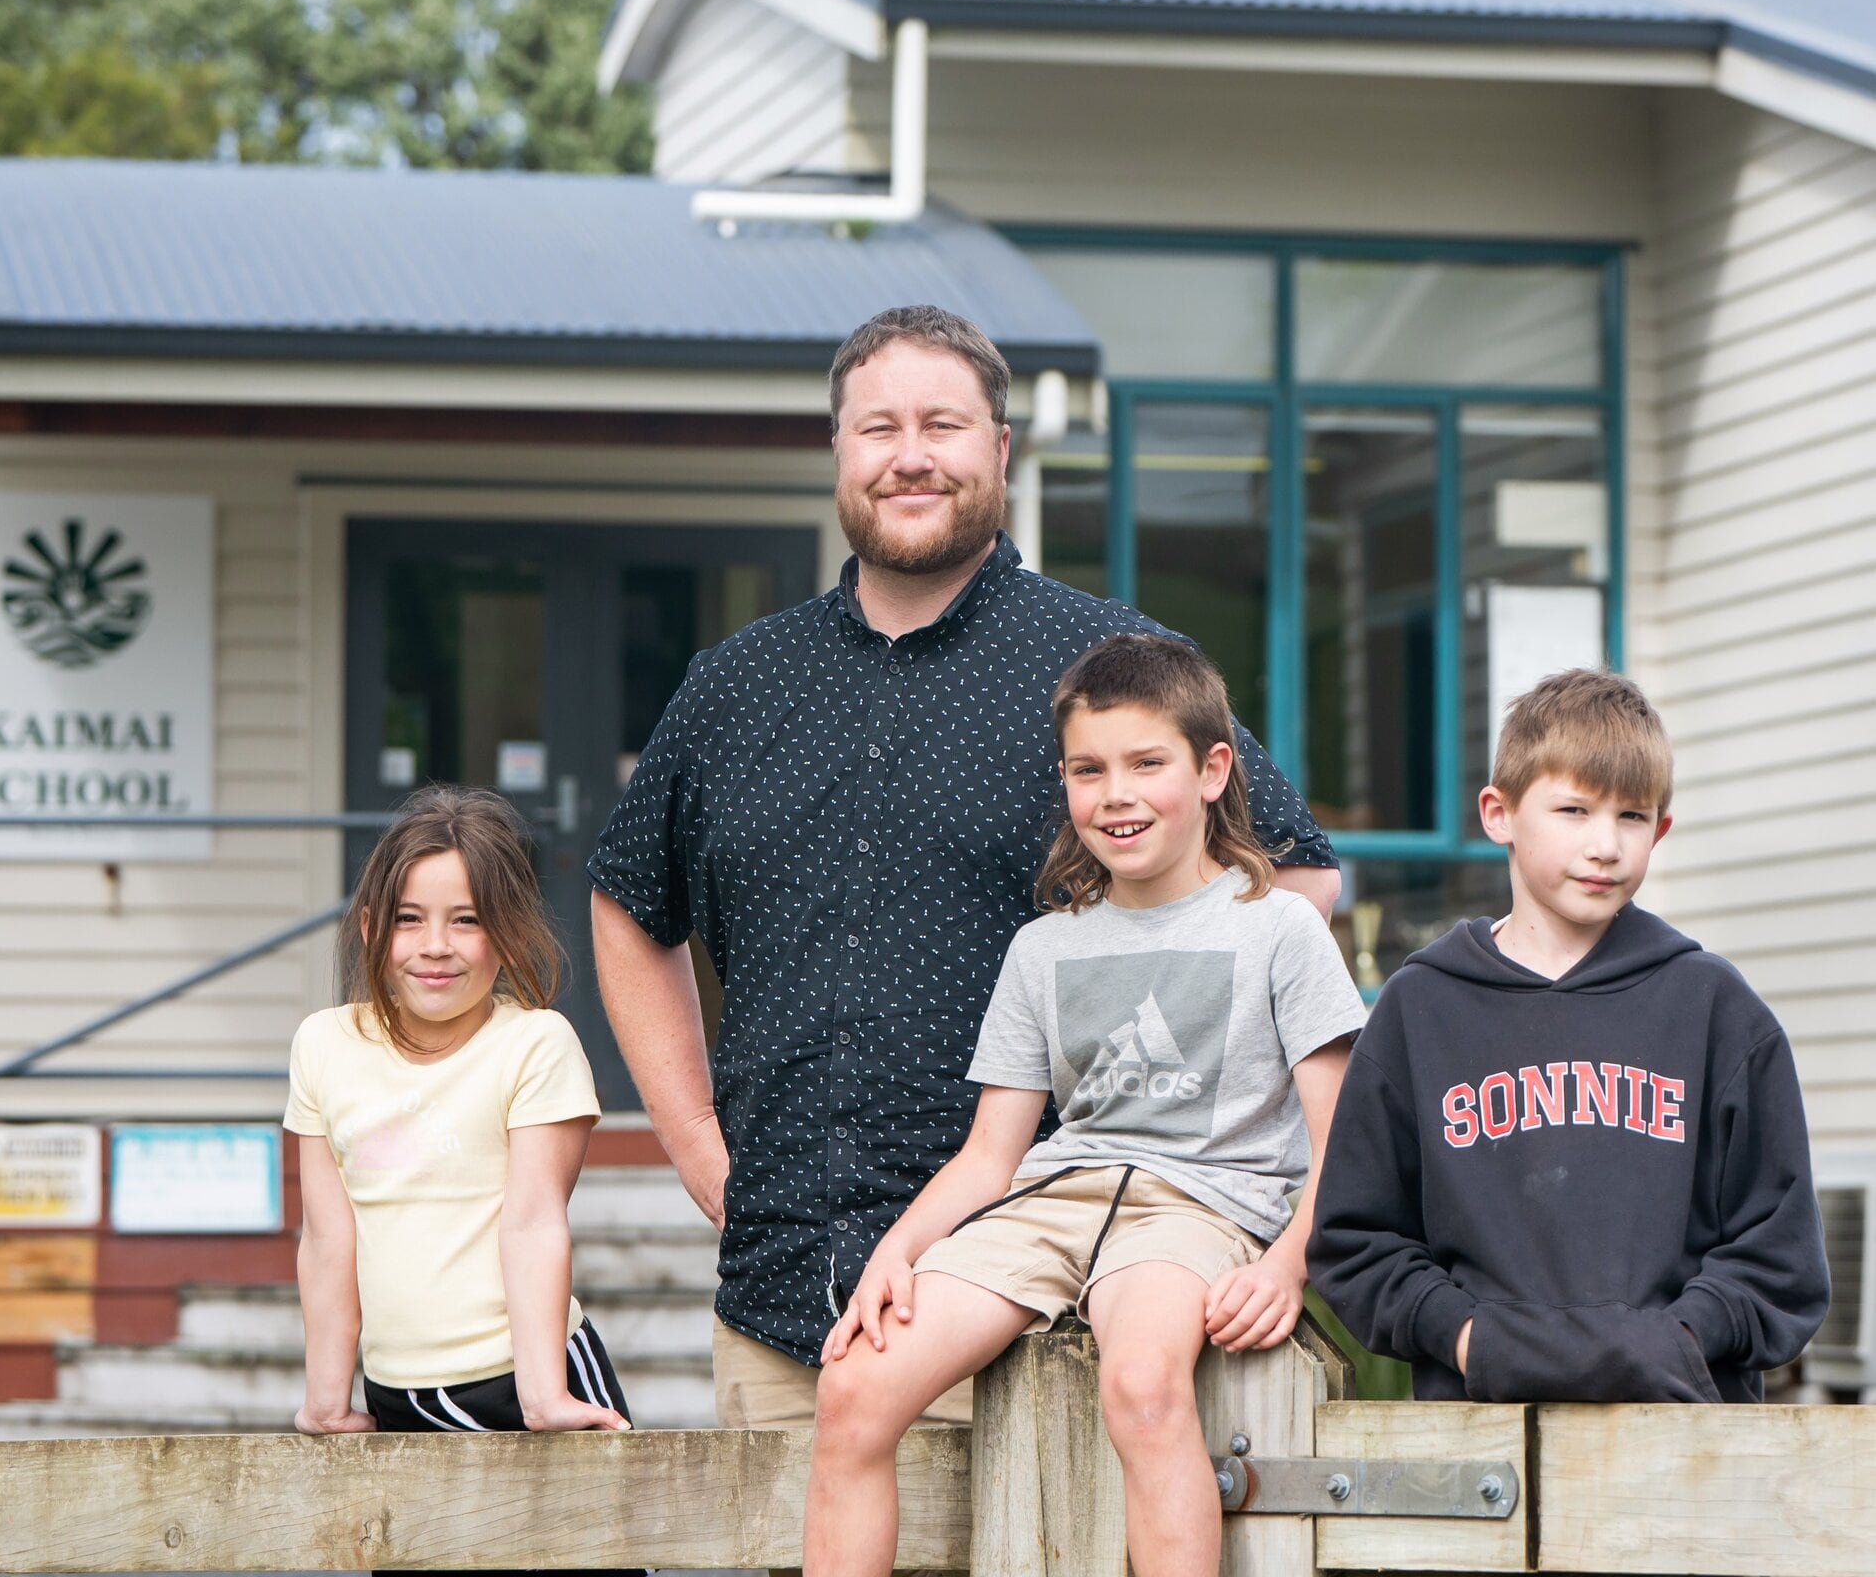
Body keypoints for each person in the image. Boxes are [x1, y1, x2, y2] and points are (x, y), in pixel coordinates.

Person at [589, 305, 1341, 1428]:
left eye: (942, 423)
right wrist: (700, 1147)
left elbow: (1292, 875)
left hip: (1034, 1305)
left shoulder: (1105, 667)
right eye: (876, 426)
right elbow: (627, 901)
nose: (909, 455)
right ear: (838, 452)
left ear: (999, 447)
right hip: (780, 1291)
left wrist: (1176, 1146)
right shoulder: (735, 684)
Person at [803, 634, 1364, 1577]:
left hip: (1198, 1209)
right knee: (853, 1388)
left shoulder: (1277, 931)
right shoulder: (1043, 950)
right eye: (1088, 770)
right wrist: (893, 1254)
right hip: (1051, 1202)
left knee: (1142, 1386)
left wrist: (1288, 1265)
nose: (1117, 794)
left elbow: (1339, 1142)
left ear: (1214, 769)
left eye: (1149, 764)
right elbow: (991, 1155)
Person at [1307, 669, 1830, 1404]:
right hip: (1479, 1443)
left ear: (1663, 829)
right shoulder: (1421, 1008)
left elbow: (1781, 1258)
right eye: (1574, 810)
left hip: (1683, 1443)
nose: (1606, 845)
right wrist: (1467, 1339)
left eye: (1632, 816)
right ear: (1499, 814)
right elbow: (1357, 1240)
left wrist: (1676, 1344)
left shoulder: (1715, 1008)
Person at [287, 785, 635, 1440]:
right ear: (371, 929)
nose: (436, 945)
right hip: (394, 1391)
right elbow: (329, 1237)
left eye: (467, 920)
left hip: (523, 1376)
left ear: (506, 936)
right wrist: (327, 1400)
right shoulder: (323, 1045)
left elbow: (532, 1223)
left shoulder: (534, 1044)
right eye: (410, 918)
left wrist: (542, 1397)